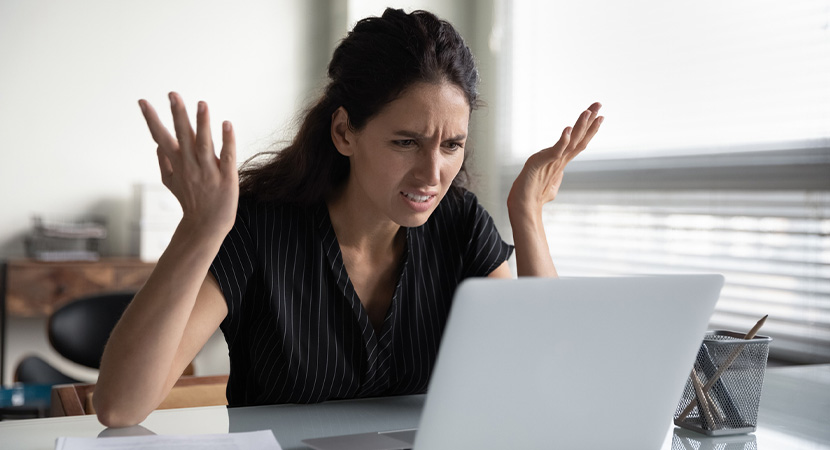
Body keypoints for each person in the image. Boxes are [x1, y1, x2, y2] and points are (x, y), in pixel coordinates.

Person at [94, 8, 602, 427]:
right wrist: (200, 228)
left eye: (452, 145)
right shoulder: (258, 226)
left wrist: (527, 213)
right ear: (344, 133)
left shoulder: (460, 223)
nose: (433, 174)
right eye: (406, 142)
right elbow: (120, 407)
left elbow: (550, 380)